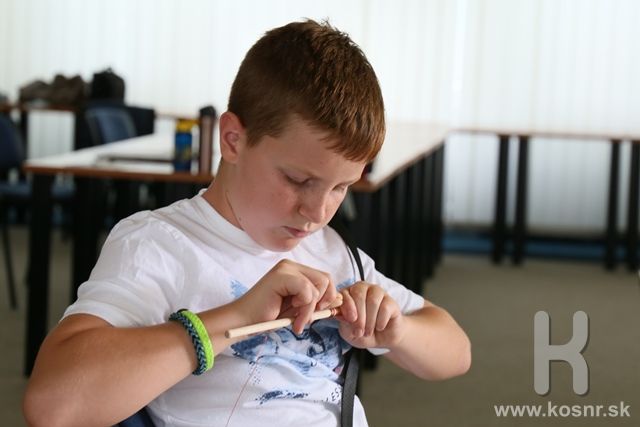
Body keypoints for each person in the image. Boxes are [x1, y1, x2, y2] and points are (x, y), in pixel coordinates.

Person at [23, 20, 471, 427]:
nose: (318, 213)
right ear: (233, 139)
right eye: (298, 180)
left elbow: (457, 353)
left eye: (341, 188)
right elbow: (53, 405)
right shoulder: (160, 245)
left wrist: (396, 330)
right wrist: (234, 318)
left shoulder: (335, 254)